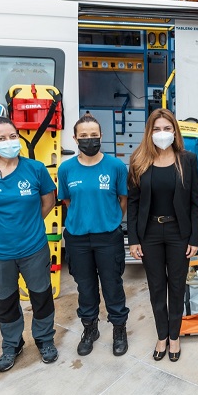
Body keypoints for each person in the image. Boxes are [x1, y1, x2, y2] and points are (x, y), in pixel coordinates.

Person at [0, 117, 58, 372]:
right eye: (1, 138)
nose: (9, 142)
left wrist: (27, 225)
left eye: (13, 136)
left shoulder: (35, 169)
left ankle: (44, 340)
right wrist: (2, 230)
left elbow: (48, 202)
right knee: (5, 301)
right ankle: (12, 344)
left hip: (33, 249)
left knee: (41, 297)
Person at [127, 108, 198, 362]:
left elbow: (195, 203)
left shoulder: (187, 160)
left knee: (177, 286)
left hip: (178, 232)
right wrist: (133, 239)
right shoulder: (139, 159)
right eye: (157, 129)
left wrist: (194, 239)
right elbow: (134, 204)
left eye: (167, 129)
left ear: (174, 131)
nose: (162, 134)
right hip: (149, 233)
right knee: (157, 287)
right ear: (149, 132)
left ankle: (175, 335)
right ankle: (162, 335)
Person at [58, 113, 129, 357]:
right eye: (84, 136)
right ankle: (90, 329)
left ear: (101, 136)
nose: (90, 140)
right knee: (85, 287)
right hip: (78, 239)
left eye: (94, 135)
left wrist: (108, 219)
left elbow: (123, 199)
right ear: (75, 138)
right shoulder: (66, 169)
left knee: (113, 285)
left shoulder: (116, 167)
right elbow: (67, 200)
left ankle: (119, 329)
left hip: (108, 237)